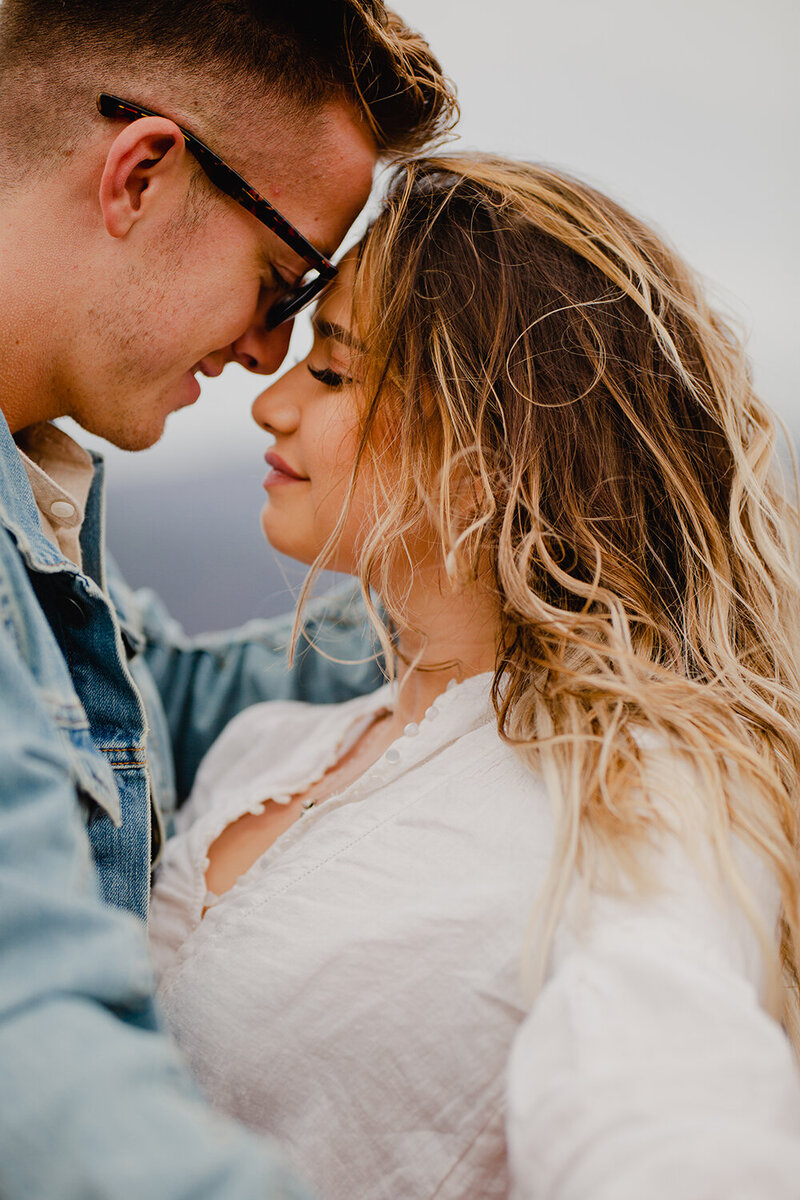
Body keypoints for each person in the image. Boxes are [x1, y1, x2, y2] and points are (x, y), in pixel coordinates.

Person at [149, 156, 800, 1199]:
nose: (269, 404)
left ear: (485, 441)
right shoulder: (261, 749)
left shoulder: (639, 791)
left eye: (329, 371)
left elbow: (669, 1113)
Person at [0, 3, 456, 1196]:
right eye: (281, 280)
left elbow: (157, 709)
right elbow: (32, 1065)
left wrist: (504, 563)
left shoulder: (35, 502)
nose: (267, 356)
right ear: (141, 173)